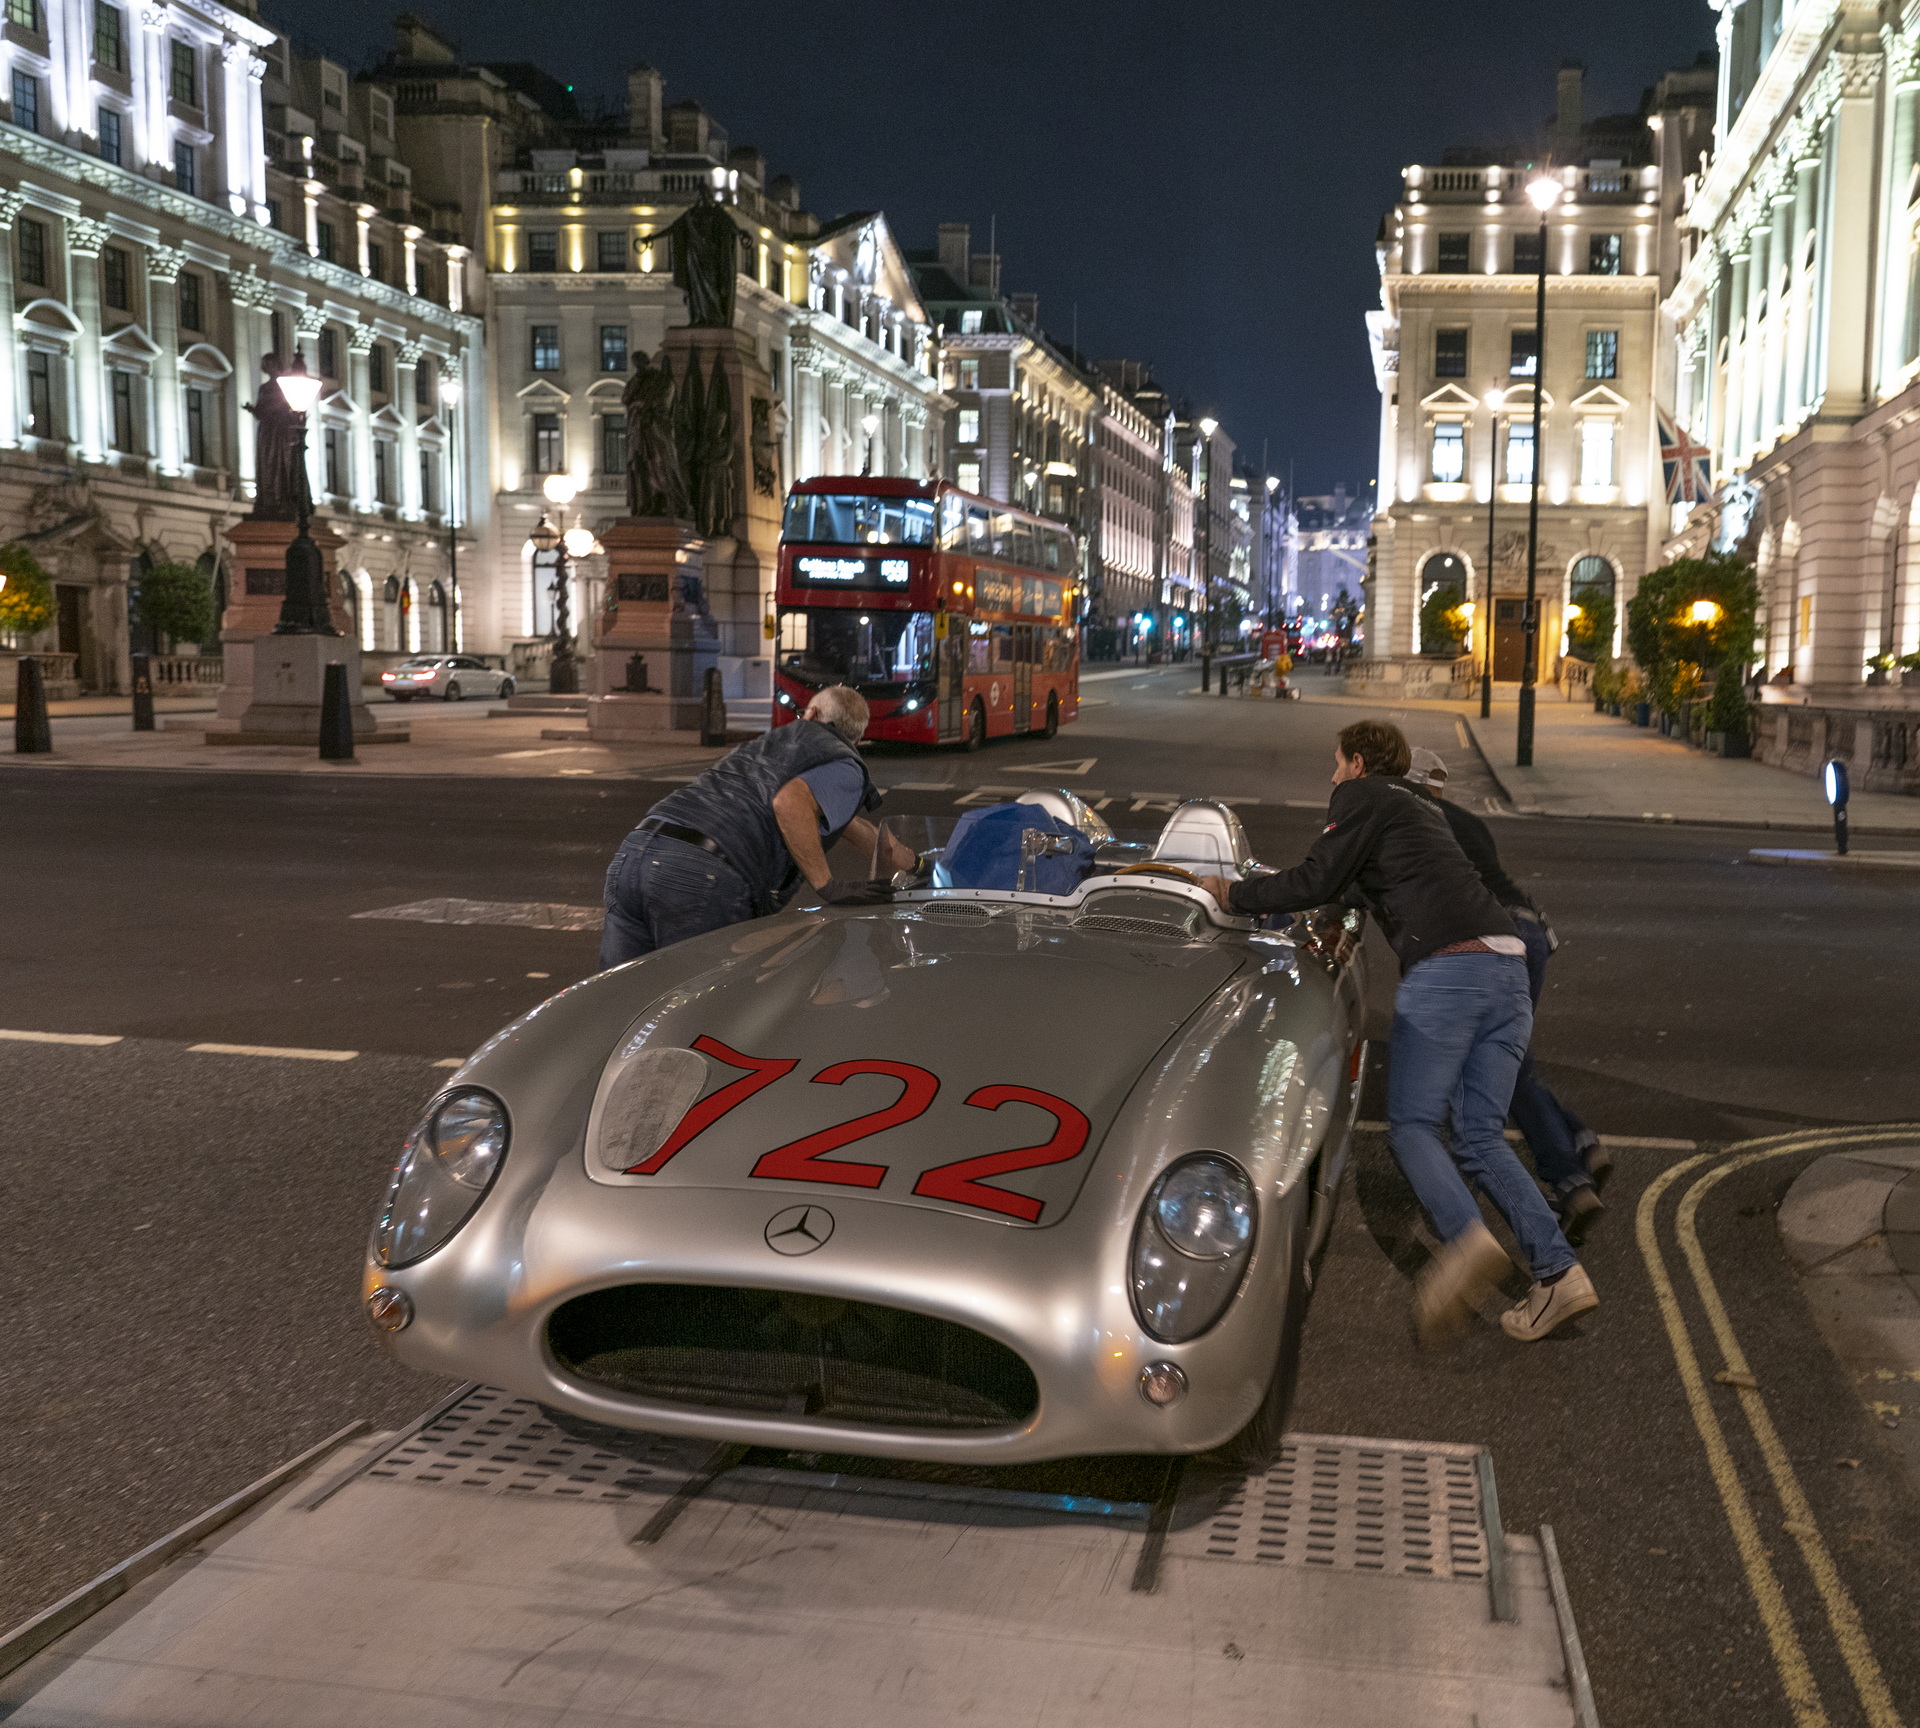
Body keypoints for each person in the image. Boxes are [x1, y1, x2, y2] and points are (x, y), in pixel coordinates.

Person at [1198, 720, 1598, 1345]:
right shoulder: (1420, 815)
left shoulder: (1364, 797)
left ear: (1358, 762)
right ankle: (1560, 1274)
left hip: (1450, 971)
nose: (1332, 776)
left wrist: (1231, 892)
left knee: (1413, 1127)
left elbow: (1317, 879)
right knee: (1480, 1135)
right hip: (1508, 970)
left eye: (1336, 763)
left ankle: (1466, 1241)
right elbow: (1349, 891)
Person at [1403, 748, 1609, 1242]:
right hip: (1530, 932)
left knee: (1474, 1078)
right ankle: (1576, 1151)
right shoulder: (1470, 822)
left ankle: (1467, 1211)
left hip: (1485, 942)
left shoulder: (1411, 821)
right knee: (1510, 1063)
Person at [597, 685, 912, 969]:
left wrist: (920, 865)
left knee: (622, 997)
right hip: (701, 872)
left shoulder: (771, 744)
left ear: (811, 714)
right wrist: (827, 884)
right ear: (856, 737)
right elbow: (790, 804)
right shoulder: (844, 762)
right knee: (699, 1009)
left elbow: (851, 825)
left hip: (635, 851)